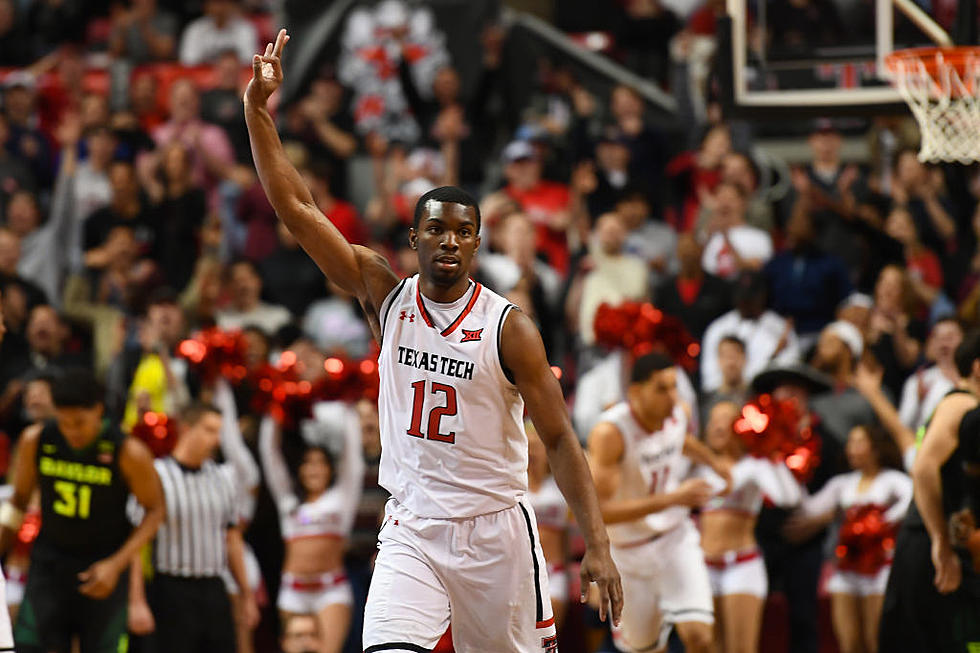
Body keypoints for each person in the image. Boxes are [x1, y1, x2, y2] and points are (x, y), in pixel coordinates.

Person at [245, 29, 622, 651]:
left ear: (477, 243)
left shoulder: (509, 327)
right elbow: (298, 209)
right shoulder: (383, 294)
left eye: (463, 232)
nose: (449, 240)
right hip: (411, 527)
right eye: (436, 230)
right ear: (414, 238)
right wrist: (258, 112)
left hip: (495, 531)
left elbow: (557, 437)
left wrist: (598, 545)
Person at [0, 369, 164, 653]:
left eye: (80, 422)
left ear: (98, 410)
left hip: (102, 566)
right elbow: (19, 502)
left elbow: (155, 511)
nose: (72, 432)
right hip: (50, 564)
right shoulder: (36, 440)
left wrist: (117, 564)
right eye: (64, 422)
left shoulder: (127, 451)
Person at [587, 352, 731, 653]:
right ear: (635, 392)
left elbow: (681, 440)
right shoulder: (611, 434)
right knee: (646, 649)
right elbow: (598, 513)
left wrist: (714, 462)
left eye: (674, 386)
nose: (672, 396)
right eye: (661, 389)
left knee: (700, 637)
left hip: (675, 541)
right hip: (628, 554)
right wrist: (673, 498)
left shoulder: (676, 413)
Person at [128, 401, 259, 653]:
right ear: (186, 429)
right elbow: (135, 543)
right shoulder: (157, 474)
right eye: (209, 430)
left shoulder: (222, 478)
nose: (216, 439)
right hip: (171, 589)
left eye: (219, 432)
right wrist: (136, 600)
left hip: (214, 587)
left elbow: (232, 539)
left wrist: (246, 594)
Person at [879, 330, 980, 652]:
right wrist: (940, 540)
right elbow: (923, 469)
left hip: (935, 535)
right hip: (928, 538)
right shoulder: (962, 403)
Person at [785, 424, 911, 653]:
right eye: (850, 442)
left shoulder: (892, 480)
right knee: (848, 643)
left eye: (859, 442)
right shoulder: (842, 484)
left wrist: (882, 521)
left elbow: (911, 497)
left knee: (876, 640)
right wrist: (798, 476)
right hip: (846, 568)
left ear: (876, 448)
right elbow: (808, 509)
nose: (852, 449)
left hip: (879, 569)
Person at [258, 402, 364, 653]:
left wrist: (348, 405)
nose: (314, 469)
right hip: (292, 591)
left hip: (331, 591)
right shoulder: (289, 501)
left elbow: (354, 461)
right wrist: (275, 405)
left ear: (330, 469)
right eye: (308, 463)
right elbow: (268, 453)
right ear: (300, 470)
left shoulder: (341, 499)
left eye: (321, 463)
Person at [698, 401, 802, 653]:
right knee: (707, 647)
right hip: (705, 566)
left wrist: (772, 456)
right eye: (713, 420)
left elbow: (788, 498)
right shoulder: (699, 466)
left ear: (740, 426)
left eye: (724, 419)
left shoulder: (755, 466)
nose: (716, 426)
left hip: (741, 566)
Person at [527, 424, 571, 632]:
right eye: (527, 445)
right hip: (521, 571)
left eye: (536, 446)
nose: (531, 452)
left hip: (554, 571)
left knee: (548, 636)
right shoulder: (509, 486)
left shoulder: (560, 486)